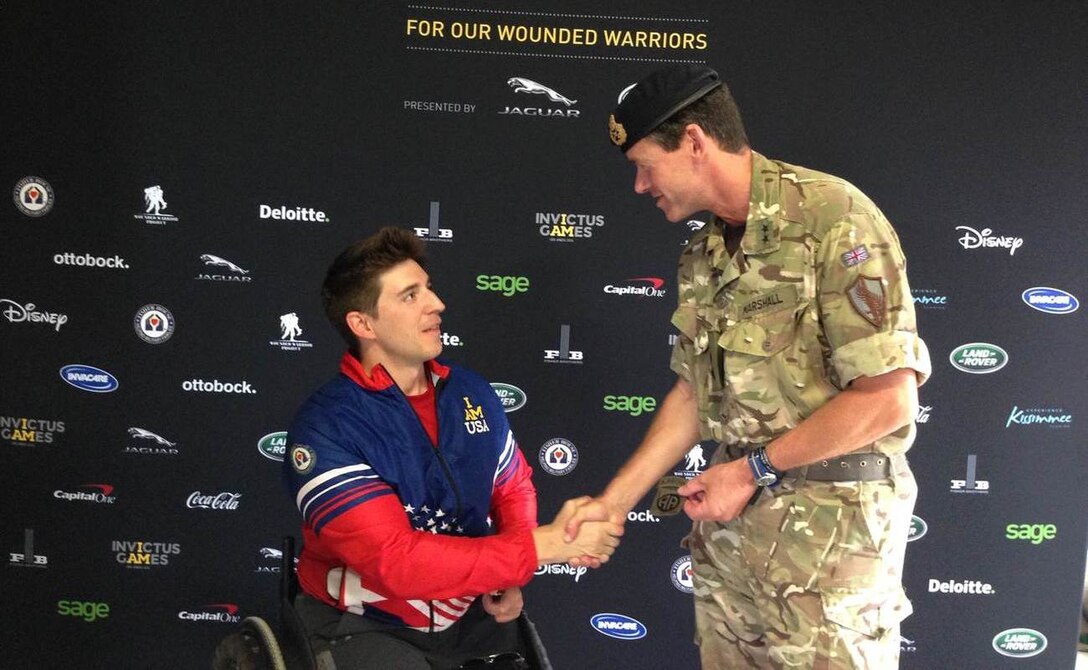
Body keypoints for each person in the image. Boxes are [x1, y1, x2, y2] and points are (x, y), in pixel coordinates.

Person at [566, 64, 932, 668]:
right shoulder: (702, 254)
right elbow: (691, 391)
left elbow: (888, 398)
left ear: (693, 142)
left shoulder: (833, 220)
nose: (639, 185)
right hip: (734, 549)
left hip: (827, 553)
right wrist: (615, 500)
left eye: (643, 164)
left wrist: (751, 470)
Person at [284, 227, 621, 670]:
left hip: (470, 612)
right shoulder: (325, 427)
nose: (436, 304)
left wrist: (509, 574)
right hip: (365, 622)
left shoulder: (471, 391)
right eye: (410, 296)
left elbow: (512, 489)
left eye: (429, 288)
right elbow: (396, 561)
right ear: (363, 324)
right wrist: (539, 549)